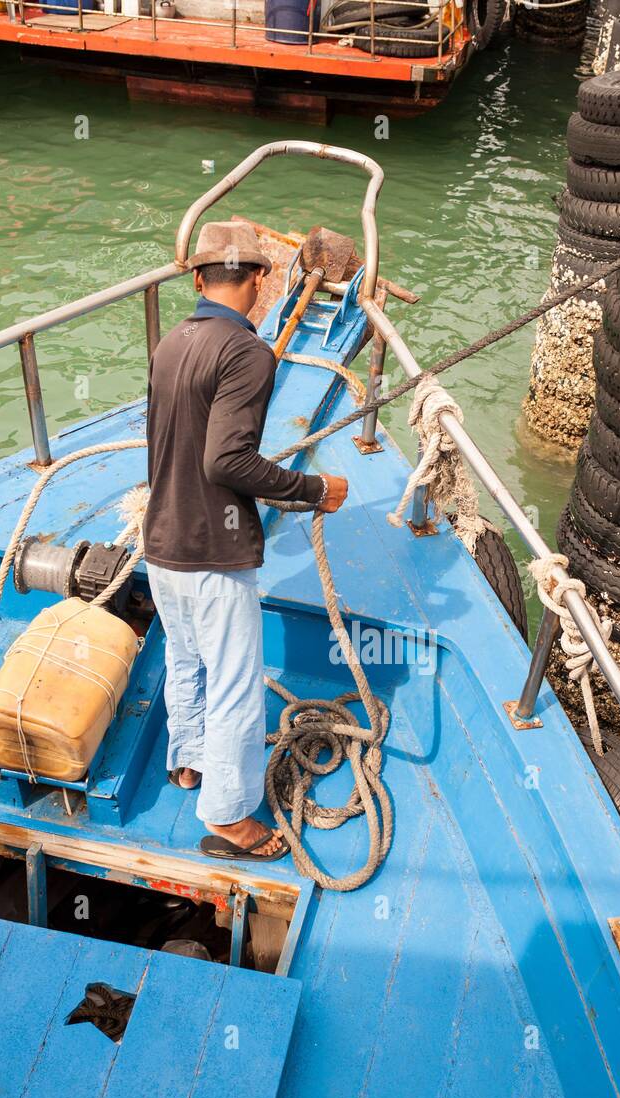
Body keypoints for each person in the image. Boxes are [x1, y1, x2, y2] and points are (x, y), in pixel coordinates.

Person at [144, 220, 348, 860]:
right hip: (212, 551)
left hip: (162, 540)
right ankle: (229, 816)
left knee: (185, 659)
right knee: (233, 681)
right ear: (260, 282)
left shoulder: (171, 342)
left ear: (200, 279)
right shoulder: (249, 354)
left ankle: (188, 762)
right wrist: (314, 489)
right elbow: (227, 462)